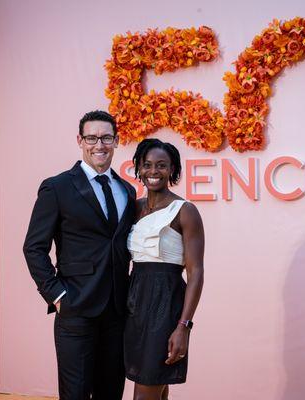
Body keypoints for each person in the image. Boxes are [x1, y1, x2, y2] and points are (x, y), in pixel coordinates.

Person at [23, 110, 136, 400]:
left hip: (117, 312)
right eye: (92, 137)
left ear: (117, 140)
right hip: (75, 309)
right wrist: (58, 296)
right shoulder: (57, 187)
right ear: (80, 140)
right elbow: (34, 247)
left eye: (107, 137)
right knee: (75, 394)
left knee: (111, 392)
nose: (100, 144)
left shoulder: (127, 190)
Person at [124, 139, 205, 400]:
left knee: (146, 389)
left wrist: (183, 326)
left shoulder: (185, 211)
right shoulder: (134, 208)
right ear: (138, 168)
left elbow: (196, 273)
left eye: (161, 165)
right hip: (134, 303)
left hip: (165, 305)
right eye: (146, 165)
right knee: (156, 386)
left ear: (172, 169)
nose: (153, 171)